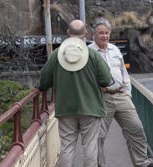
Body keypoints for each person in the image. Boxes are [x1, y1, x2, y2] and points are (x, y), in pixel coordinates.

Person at [38, 19, 112, 167]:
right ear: (85, 33)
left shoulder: (56, 55)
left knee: (67, 147)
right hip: (91, 108)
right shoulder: (93, 55)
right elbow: (106, 80)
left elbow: (43, 83)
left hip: (66, 109)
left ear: (68, 33)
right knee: (90, 147)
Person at [88, 18, 153, 167]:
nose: (104, 36)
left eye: (107, 33)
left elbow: (123, 73)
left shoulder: (114, 49)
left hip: (121, 96)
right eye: (101, 33)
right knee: (98, 137)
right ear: (94, 34)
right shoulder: (89, 52)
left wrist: (127, 92)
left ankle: (142, 163)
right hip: (101, 99)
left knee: (136, 128)